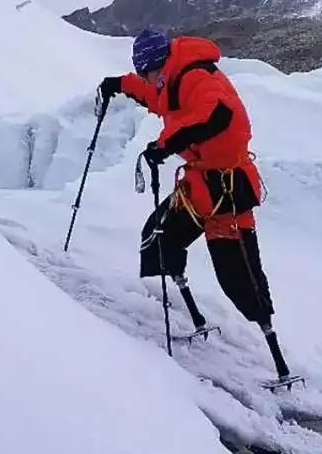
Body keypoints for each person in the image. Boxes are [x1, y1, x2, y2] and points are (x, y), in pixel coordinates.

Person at [98, 27, 291, 381]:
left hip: (226, 190)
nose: (146, 79)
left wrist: (166, 143)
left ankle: (278, 358)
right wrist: (119, 84)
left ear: (160, 65)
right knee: (159, 238)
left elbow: (216, 115)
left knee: (239, 277)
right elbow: (152, 95)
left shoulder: (196, 77)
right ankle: (197, 317)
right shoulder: (166, 81)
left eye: (147, 73)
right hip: (198, 186)